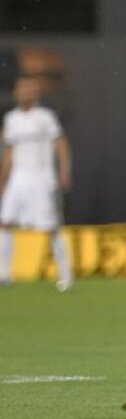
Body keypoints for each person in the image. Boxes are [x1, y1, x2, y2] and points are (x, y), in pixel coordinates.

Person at [0, 77, 73, 291]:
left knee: (51, 227)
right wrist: (3, 179)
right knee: (5, 222)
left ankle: (65, 276)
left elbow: (61, 144)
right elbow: (10, 152)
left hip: (42, 179)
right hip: (18, 179)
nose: (24, 93)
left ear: (36, 93)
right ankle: (4, 274)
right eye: (21, 90)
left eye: (28, 89)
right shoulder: (11, 119)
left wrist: (64, 170)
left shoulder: (45, 117)